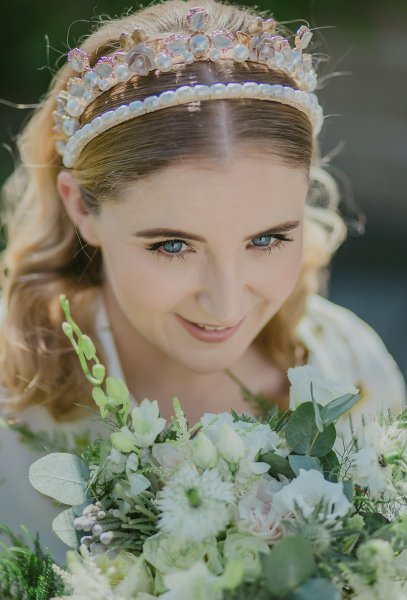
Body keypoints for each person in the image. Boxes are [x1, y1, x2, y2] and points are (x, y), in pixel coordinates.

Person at [0, 0, 405, 563]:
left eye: (266, 240)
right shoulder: (12, 420)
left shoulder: (352, 369)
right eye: (172, 246)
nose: (227, 300)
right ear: (82, 208)